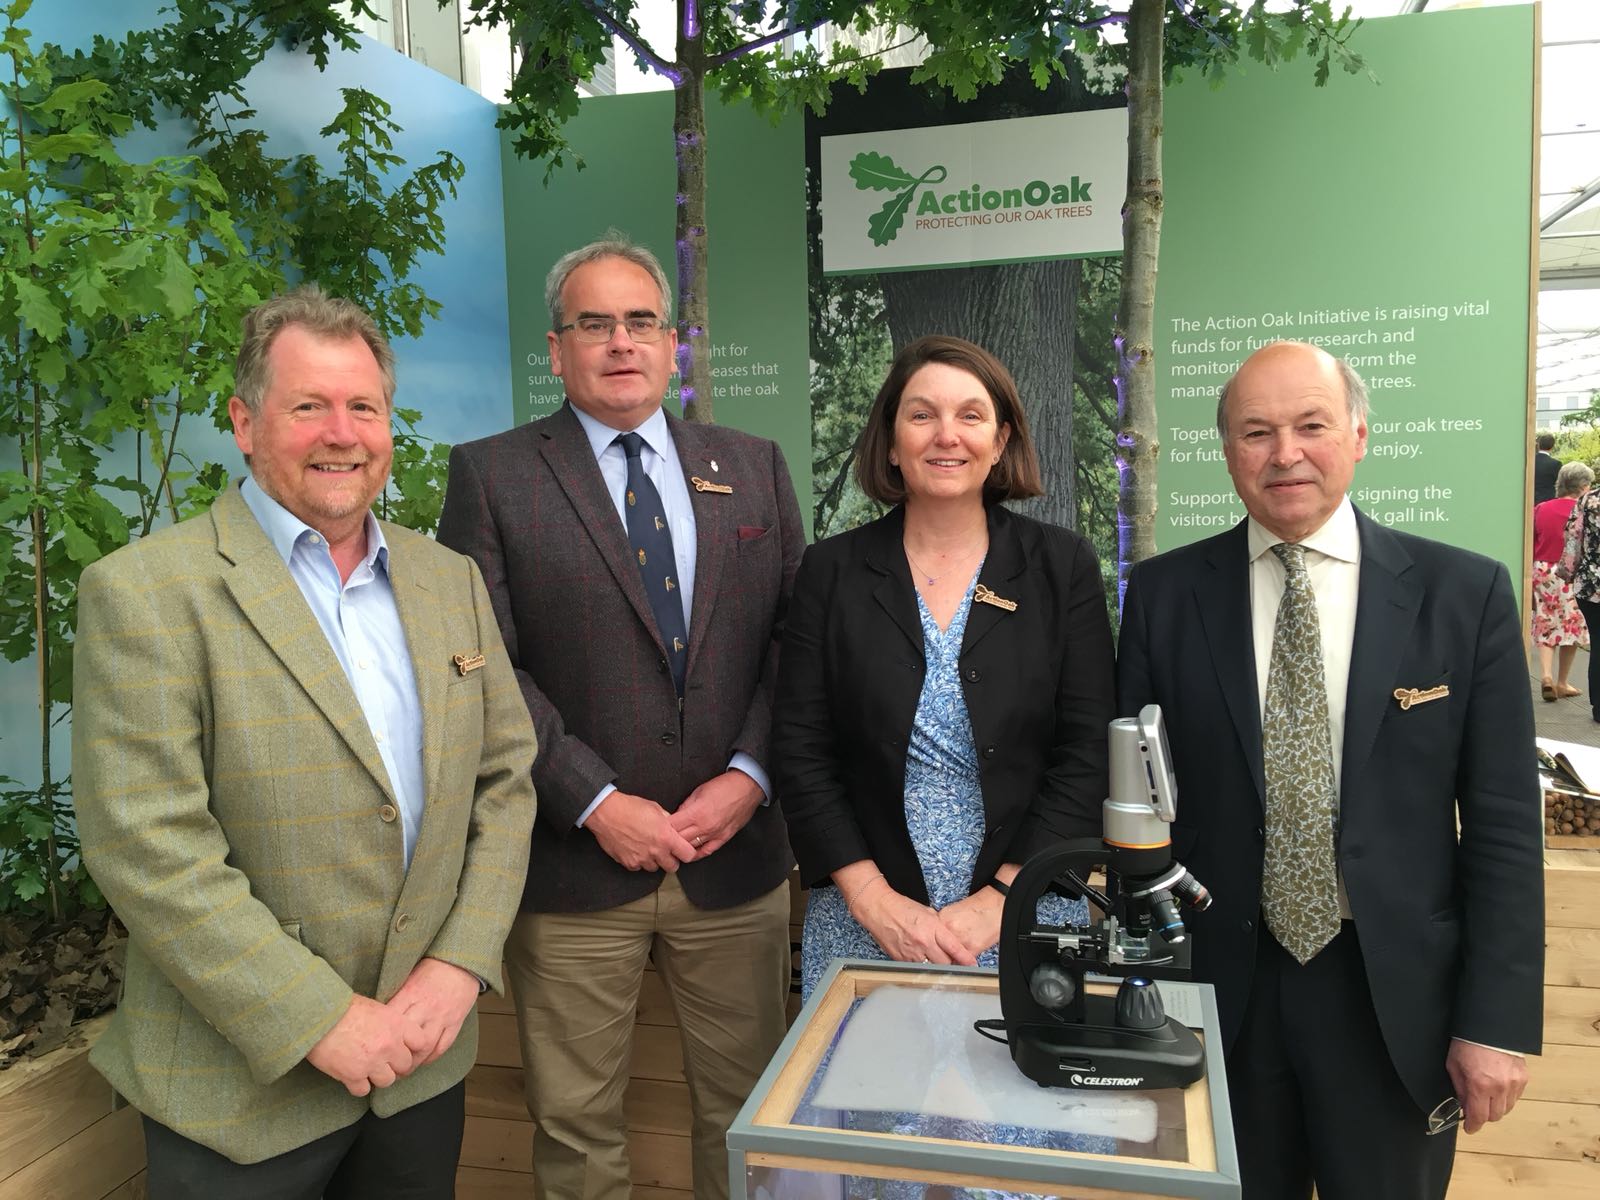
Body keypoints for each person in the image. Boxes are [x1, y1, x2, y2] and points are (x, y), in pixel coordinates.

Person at [71, 285, 538, 1198]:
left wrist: (458, 965)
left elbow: (506, 780)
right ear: (245, 423)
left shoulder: (449, 580)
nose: (343, 432)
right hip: (242, 1090)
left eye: (363, 406)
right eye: (308, 406)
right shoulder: (147, 592)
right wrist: (317, 1018)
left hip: (419, 1062)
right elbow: (147, 845)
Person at [1116, 340, 1542, 1200]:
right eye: (1256, 432)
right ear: (1228, 453)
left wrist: (1496, 1024)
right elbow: (1138, 810)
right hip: (1218, 997)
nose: (1286, 454)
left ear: (1357, 433)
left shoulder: (1465, 595)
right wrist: (1142, 995)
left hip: (1392, 1003)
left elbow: (1501, 825)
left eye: (1311, 425)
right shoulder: (1162, 597)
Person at [436, 237, 803, 1200]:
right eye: (593, 324)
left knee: (748, 1118)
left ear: (673, 343)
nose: (620, 342)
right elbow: (481, 663)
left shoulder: (755, 467)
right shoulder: (493, 475)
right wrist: (592, 798)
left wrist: (749, 777)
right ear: (557, 351)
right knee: (578, 1130)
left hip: (734, 860)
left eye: (641, 321)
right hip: (572, 868)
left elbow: (792, 645)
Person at [773, 335, 1115, 999]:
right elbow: (800, 750)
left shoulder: (1061, 566)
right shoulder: (832, 571)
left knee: (1017, 1100)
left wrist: (999, 900)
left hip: (1028, 908)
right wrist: (873, 901)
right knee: (864, 1102)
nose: (945, 436)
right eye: (922, 415)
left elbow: (1087, 749)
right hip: (864, 916)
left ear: (1002, 438)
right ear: (892, 441)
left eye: (970, 415)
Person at [1532, 460, 1592, 699]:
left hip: (1543, 569)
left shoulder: (1541, 508)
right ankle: (1562, 682)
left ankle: (1545, 675)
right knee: (1572, 625)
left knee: (1546, 620)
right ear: (1583, 486)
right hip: (1571, 572)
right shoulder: (1584, 510)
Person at [1533, 432, 1561, 505]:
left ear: (1538, 445)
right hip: (1548, 500)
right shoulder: (1555, 464)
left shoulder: (1530, 461)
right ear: (1552, 446)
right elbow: (1559, 483)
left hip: (1530, 498)